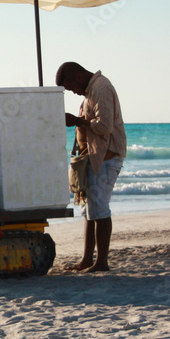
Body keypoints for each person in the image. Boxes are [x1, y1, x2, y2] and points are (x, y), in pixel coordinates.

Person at [56, 62, 127, 273]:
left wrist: (78, 121)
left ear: (78, 77)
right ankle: (87, 259)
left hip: (105, 157)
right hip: (94, 157)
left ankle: (101, 262)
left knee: (100, 210)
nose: (74, 92)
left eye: (71, 88)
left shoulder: (101, 88)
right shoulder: (91, 91)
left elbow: (104, 127)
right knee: (89, 211)